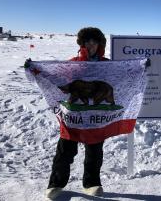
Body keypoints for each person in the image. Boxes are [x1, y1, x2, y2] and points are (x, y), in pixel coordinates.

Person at [46, 27, 109, 199]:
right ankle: (56, 184)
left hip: (95, 116)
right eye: (87, 41)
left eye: (94, 41)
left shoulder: (107, 65)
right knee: (65, 150)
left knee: (94, 151)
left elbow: (124, 75)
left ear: (99, 44)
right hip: (73, 116)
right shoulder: (73, 64)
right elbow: (56, 76)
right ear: (82, 44)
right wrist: (36, 69)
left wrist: (140, 68)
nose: (91, 45)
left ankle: (92, 183)